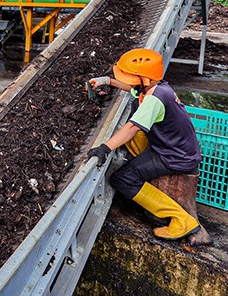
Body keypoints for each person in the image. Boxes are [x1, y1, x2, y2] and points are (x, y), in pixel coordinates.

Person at [86, 48, 203, 241]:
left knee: (123, 179)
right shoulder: (158, 87)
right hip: (176, 148)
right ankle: (145, 173)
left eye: (131, 76)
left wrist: (105, 148)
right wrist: (107, 81)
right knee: (133, 113)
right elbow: (131, 89)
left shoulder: (154, 100)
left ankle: (182, 220)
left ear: (145, 79)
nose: (128, 80)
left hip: (174, 156)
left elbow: (132, 128)